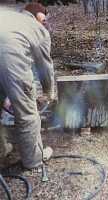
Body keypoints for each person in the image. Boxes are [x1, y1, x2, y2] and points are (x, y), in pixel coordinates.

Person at [0, 3, 54, 169]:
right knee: (27, 114)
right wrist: (48, 92)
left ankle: (2, 149)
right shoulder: (38, 29)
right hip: (10, 60)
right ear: (39, 16)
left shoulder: (9, 16)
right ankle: (34, 160)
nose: (45, 23)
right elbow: (45, 67)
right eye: (44, 19)